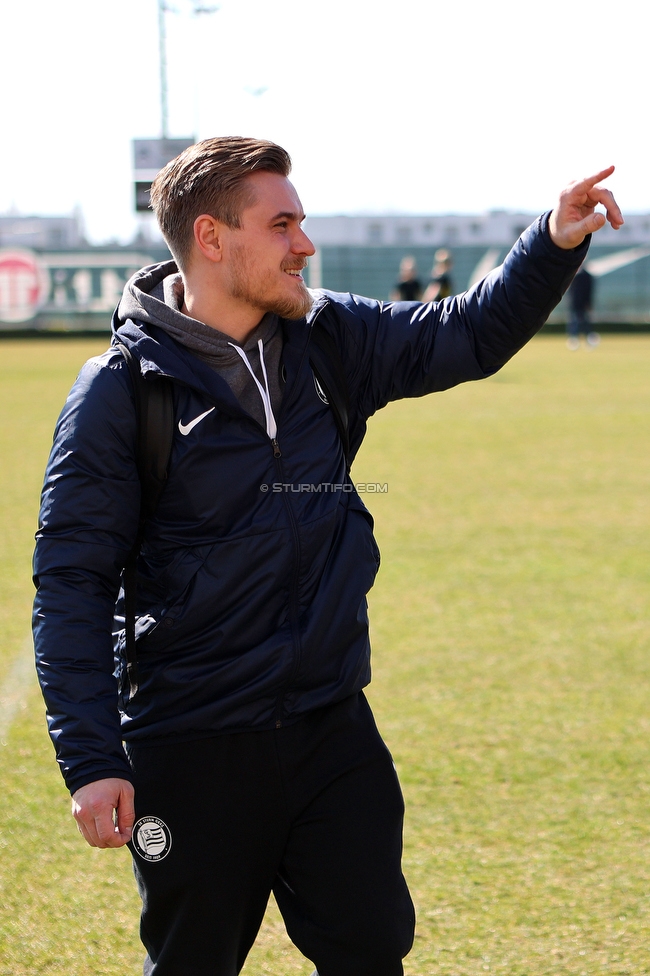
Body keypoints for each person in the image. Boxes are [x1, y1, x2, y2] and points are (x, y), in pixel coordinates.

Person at [32, 139, 623, 976]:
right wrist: (92, 760)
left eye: (301, 222)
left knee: (372, 947)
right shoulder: (121, 393)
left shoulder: (329, 336)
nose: (304, 243)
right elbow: (72, 581)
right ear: (211, 237)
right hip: (191, 746)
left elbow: (471, 334)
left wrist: (552, 240)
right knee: (192, 961)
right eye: (282, 224)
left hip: (330, 726)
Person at [566, 264, 599, 348]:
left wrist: (588, 303)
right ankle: (575, 338)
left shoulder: (583, 276)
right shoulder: (576, 275)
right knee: (577, 320)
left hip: (581, 302)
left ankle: (586, 337)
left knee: (582, 320)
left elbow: (588, 291)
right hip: (577, 302)